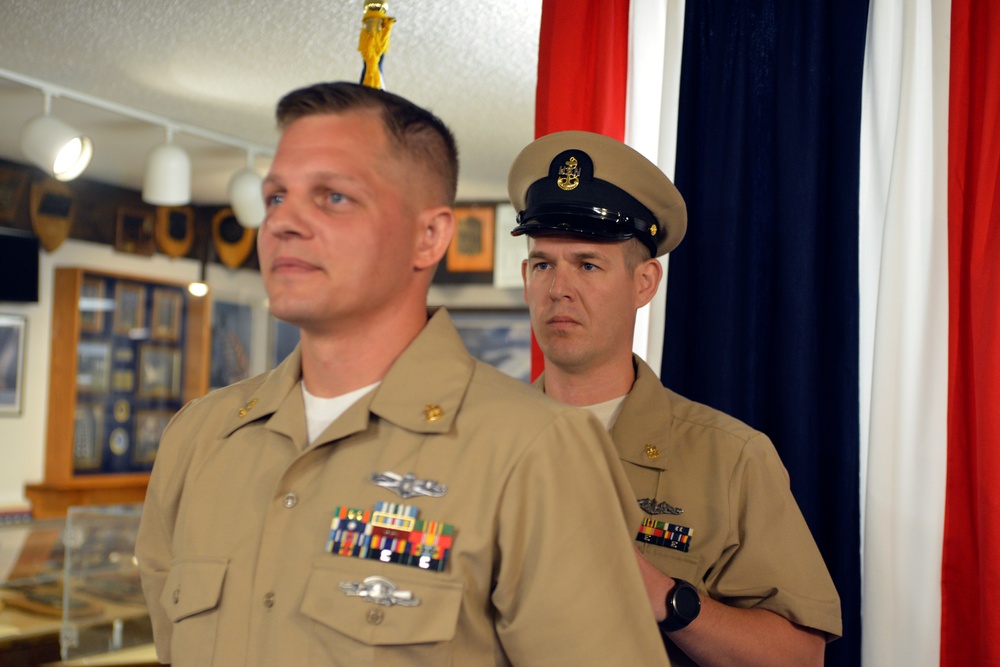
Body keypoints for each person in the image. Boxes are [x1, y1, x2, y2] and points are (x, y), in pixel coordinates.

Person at [135, 83, 671, 666]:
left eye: (333, 197)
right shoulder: (199, 438)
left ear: (429, 236)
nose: (285, 223)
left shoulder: (535, 451)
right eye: (275, 199)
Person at [510, 131, 842, 667]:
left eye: (588, 265)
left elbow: (800, 656)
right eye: (544, 264)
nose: (559, 289)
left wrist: (665, 598)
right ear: (526, 279)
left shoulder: (731, 458)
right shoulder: (477, 440)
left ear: (644, 283)